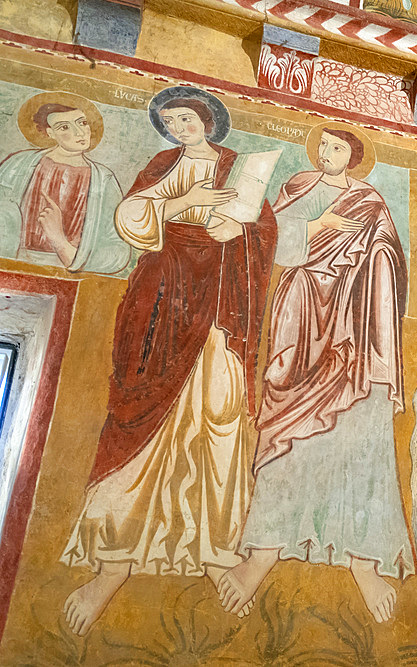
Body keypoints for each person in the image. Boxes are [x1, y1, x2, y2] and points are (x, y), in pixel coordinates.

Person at [60, 87, 278, 636]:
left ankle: (213, 547)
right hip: (162, 294)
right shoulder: (163, 164)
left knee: (221, 417)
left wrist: (242, 228)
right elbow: (132, 219)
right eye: (173, 120)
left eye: (189, 118)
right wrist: (181, 204)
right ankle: (112, 566)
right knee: (141, 415)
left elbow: (265, 230)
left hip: (219, 303)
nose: (181, 127)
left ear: (208, 120)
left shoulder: (237, 168)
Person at [217, 123, 413, 624]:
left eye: (338, 147)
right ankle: (261, 553)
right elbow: (270, 243)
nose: (327, 153)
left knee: (360, 427)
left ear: (353, 155)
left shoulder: (370, 200)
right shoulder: (298, 187)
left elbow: (392, 258)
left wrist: (370, 259)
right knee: (287, 424)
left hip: (356, 315)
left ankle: (363, 559)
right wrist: (321, 226)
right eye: (322, 145)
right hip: (302, 312)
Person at [0, 93, 130, 274]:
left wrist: (60, 242)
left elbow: (119, 252)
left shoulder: (104, 179)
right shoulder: (18, 164)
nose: (79, 132)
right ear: (49, 133)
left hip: (69, 275)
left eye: (82, 123)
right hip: (12, 267)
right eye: (64, 127)